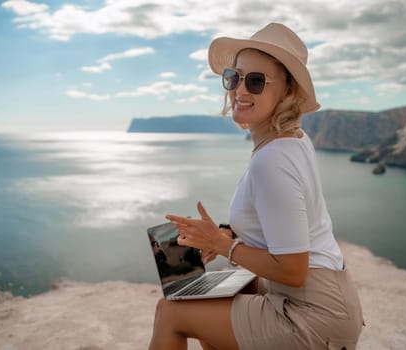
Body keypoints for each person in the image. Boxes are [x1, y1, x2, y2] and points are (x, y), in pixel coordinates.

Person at [148, 23, 364, 350]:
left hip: (313, 313)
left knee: (170, 313)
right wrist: (224, 235)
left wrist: (224, 247)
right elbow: (285, 225)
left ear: (288, 92)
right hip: (319, 296)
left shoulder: (272, 160)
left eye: (256, 81)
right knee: (213, 298)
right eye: (234, 77)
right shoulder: (292, 141)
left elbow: (293, 271)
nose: (240, 90)